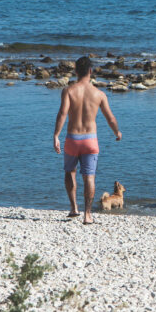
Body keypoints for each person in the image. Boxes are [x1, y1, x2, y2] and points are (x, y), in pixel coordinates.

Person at [53, 56, 121, 224]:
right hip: (90, 140)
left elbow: (62, 114)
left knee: (70, 172)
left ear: (76, 71)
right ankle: (88, 215)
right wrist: (117, 132)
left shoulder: (68, 91)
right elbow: (110, 118)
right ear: (91, 71)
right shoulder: (99, 93)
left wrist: (56, 135)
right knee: (89, 177)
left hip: (72, 138)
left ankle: (74, 208)